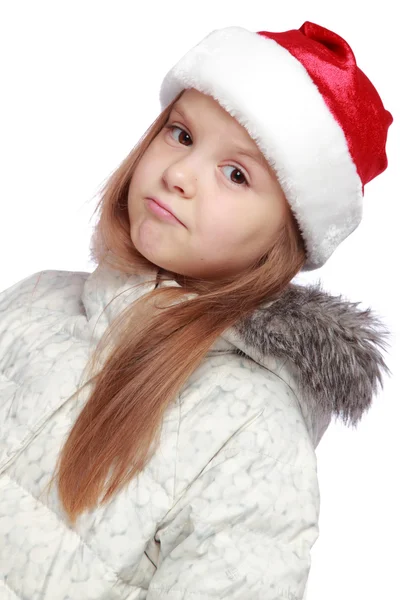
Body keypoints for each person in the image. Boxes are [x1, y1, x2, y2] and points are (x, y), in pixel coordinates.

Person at [0, 20, 393, 600]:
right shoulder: (38, 301)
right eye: (181, 135)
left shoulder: (255, 433)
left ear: (284, 238)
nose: (179, 174)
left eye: (237, 175)